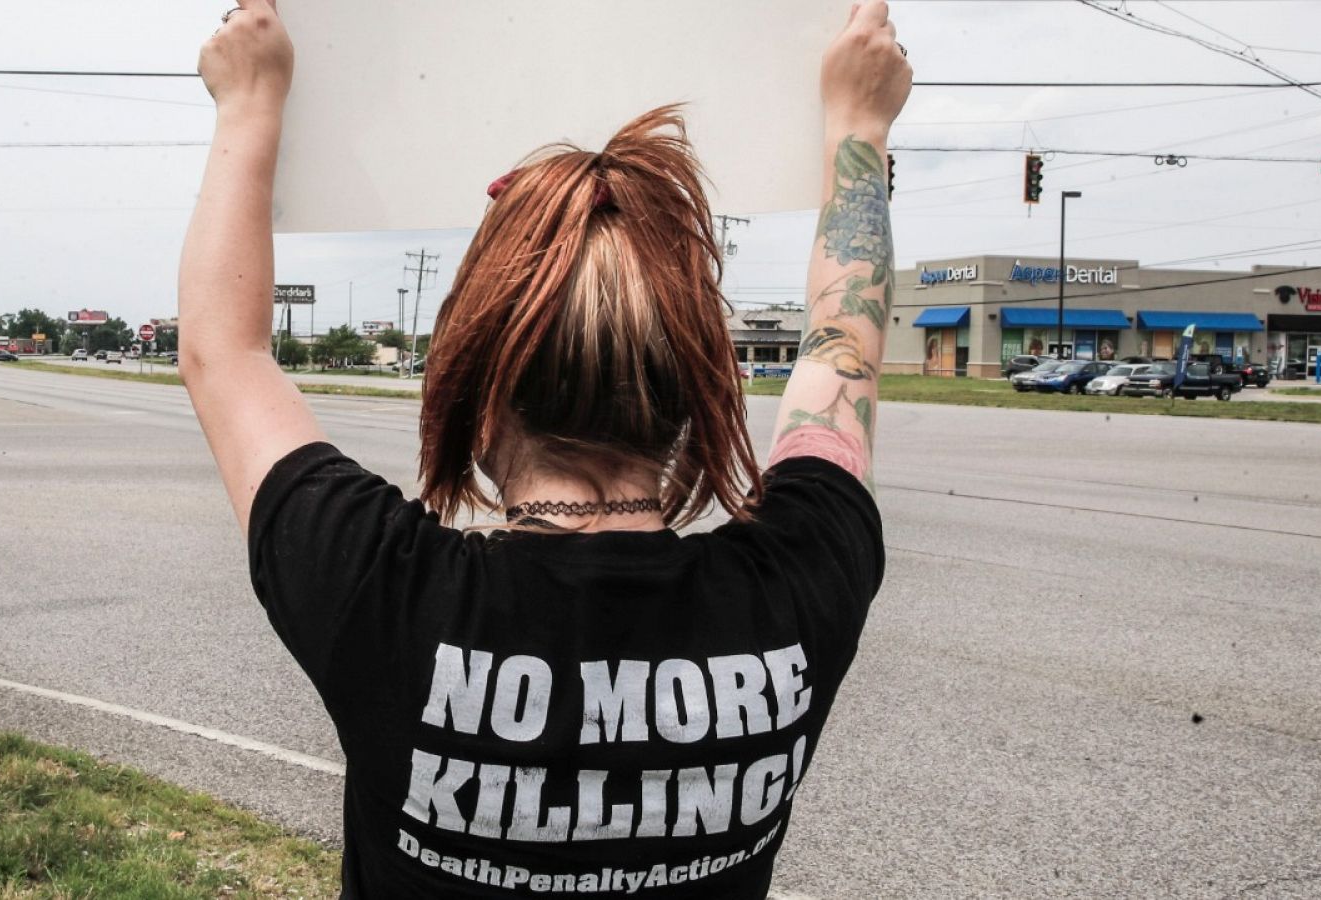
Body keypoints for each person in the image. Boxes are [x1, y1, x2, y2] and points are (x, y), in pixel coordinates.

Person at [180, 1, 909, 896]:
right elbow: (844, 345)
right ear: (690, 405)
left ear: (478, 406)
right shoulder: (799, 587)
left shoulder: (380, 592)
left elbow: (226, 353)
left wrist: (249, 101)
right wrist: (859, 127)